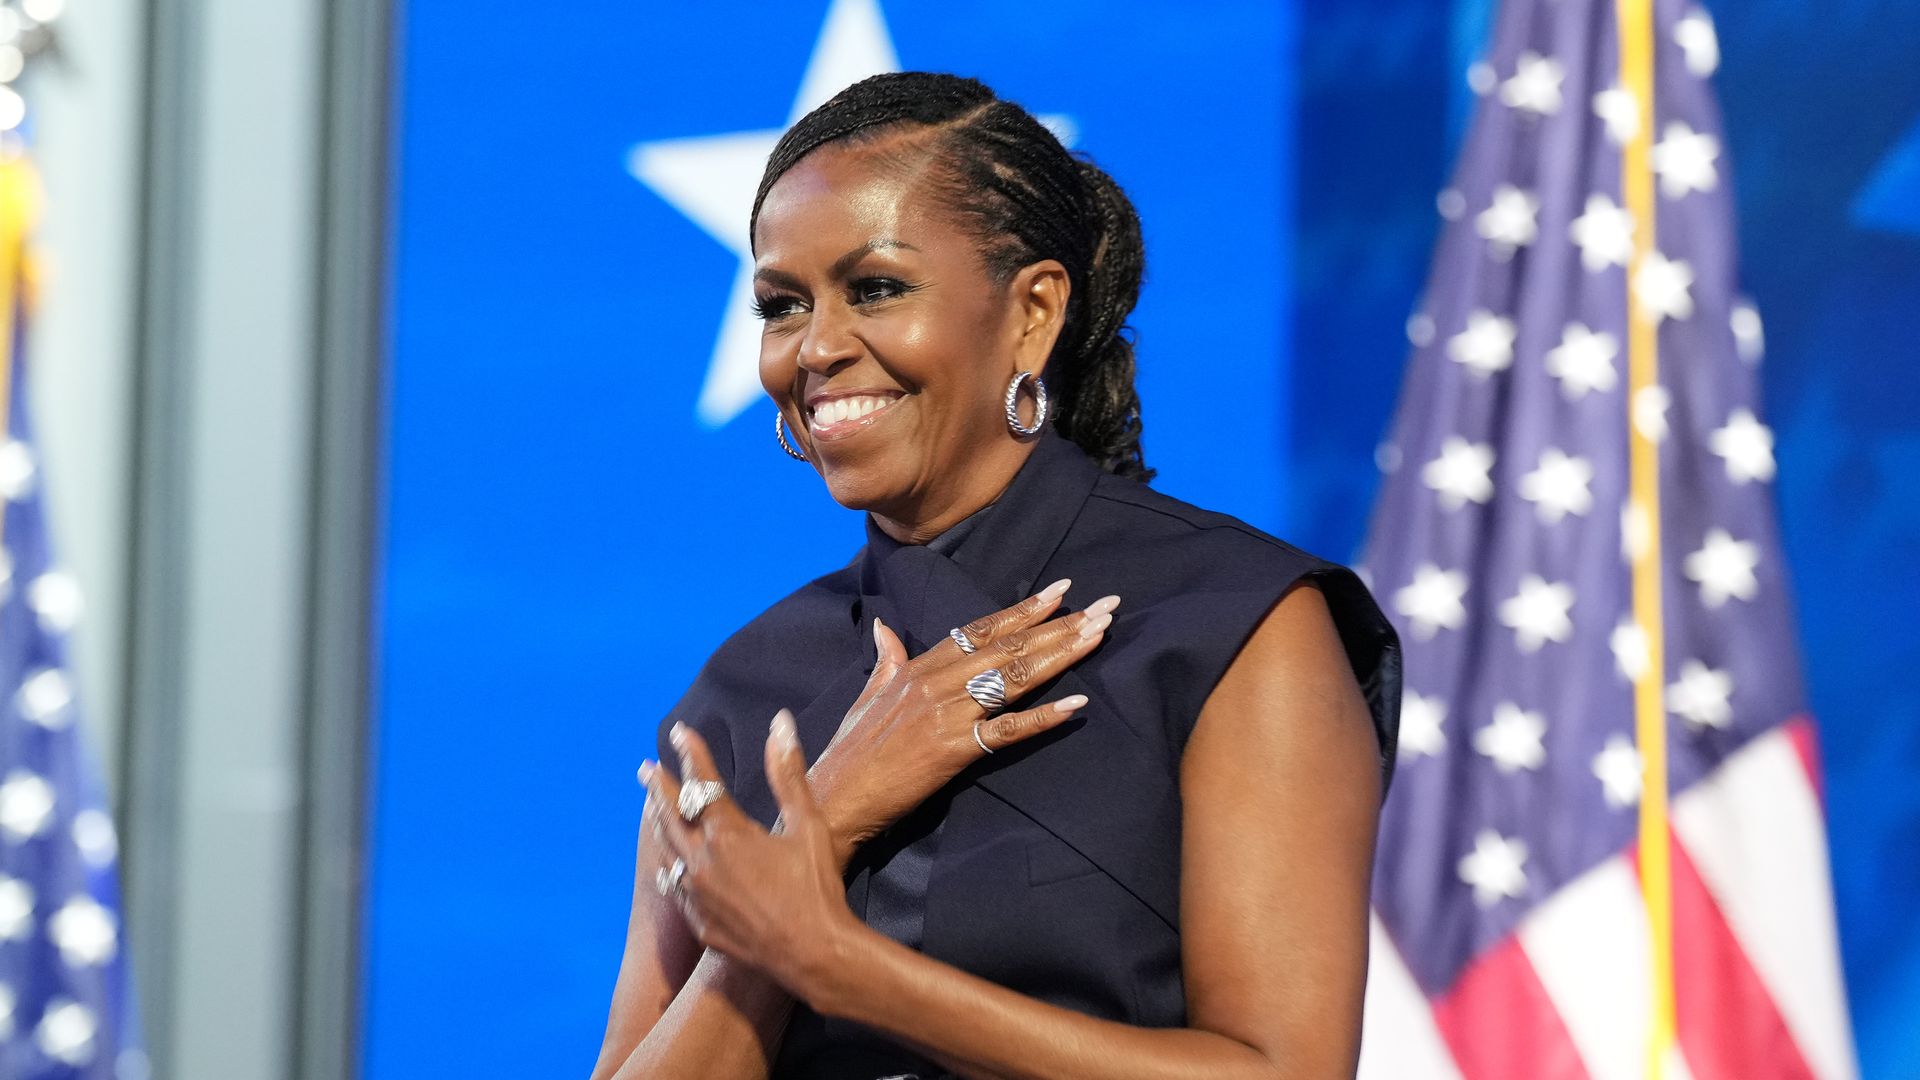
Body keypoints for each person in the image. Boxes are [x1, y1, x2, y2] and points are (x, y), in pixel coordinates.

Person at [590, 71, 1401, 1080]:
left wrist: (844, 965)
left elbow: (1286, 1073)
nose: (819, 347)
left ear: (1032, 313)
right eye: (782, 305)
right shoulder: (745, 690)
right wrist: (830, 821)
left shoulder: (1234, 625)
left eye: (876, 287)